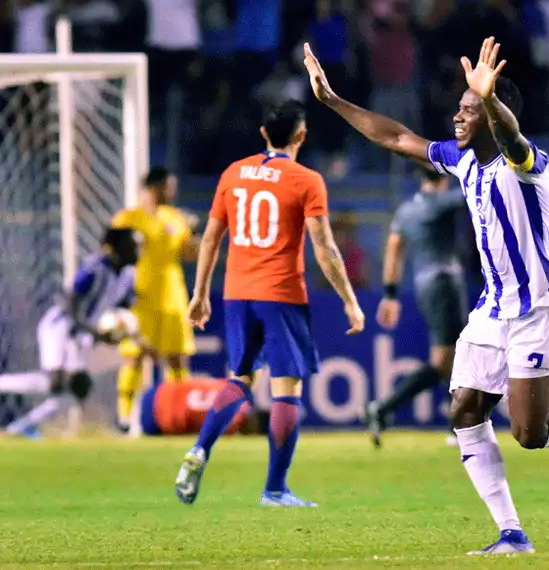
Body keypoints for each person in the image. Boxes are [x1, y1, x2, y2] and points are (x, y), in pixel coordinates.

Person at [304, 37, 549, 554]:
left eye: (469, 110)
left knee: (530, 434)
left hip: (539, 309)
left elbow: (512, 139)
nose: (457, 116)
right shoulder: (460, 160)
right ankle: (511, 534)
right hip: (493, 310)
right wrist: (333, 100)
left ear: (494, 114)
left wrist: (490, 100)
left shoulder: (529, 164)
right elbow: (399, 137)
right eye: (460, 107)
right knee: (464, 409)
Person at [173, 100, 365, 507]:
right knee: (285, 390)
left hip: (237, 292)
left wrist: (200, 293)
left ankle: (200, 450)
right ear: (301, 136)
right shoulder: (306, 180)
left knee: (239, 378)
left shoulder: (233, 173)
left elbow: (210, 237)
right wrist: (350, 299)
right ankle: (275, 490)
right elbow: (325, 248)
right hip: (280, 293)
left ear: (263, 134)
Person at [365, 166, 469, 447]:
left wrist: (390, 294)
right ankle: (385, 408)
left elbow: (393, 250)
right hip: (445, 282)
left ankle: (456, 426)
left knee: (451, 358)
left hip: (424, 286)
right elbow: (477, 194)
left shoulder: (405, 211)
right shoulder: (443, 202)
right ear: (444, 178)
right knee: (451, 358)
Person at [3, 228, 140, 438]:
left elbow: (123, 308)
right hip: (60, 327)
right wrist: (94, 331)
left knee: (79, 389)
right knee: (56, 382)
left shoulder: (129, 275)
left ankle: (22, 428)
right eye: (133, 246)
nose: (138, 251)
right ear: (116, 248)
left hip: (82, 336)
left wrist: (121, 330)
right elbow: (69, 301)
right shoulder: (95, 268)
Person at [112, 167, 200, 432]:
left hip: (172, 295)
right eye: (168, 187)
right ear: (155, 187)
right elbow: (112, 251)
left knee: (177, 359)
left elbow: (188, 254)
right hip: (141, 296)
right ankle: (125, 418)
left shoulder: (175, 218)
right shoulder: (128, 218)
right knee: (134, 356)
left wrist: (198, 237)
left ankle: (177, 416)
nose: (172, 193)